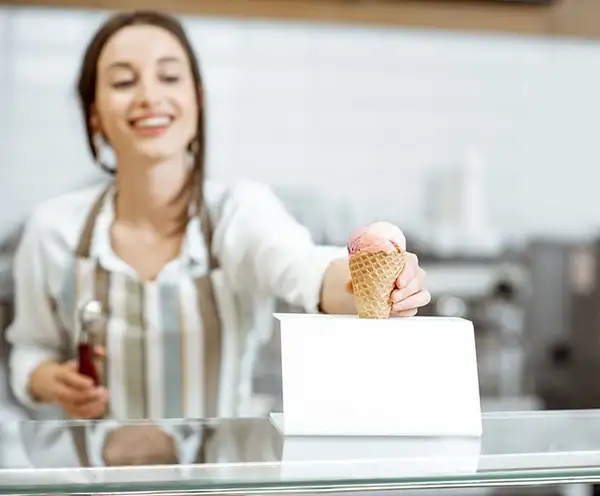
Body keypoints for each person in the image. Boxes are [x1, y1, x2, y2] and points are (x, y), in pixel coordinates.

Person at [6, 10, 430, 421]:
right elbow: (28, 349)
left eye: (169, 77)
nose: (150, 96)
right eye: (122, 81)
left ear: (198, 98)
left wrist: (378, 286)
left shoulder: (240, 212)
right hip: (97, 484)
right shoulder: (53, 230)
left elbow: (304, 269)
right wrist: (45, 378)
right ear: (94, 111)